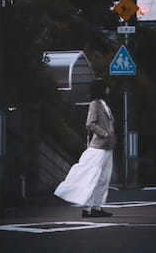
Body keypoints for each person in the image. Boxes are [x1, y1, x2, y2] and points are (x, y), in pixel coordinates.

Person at [54, 81, 116, 218]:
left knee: (104, 178)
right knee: (91, 176)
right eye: (106, 86)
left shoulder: (104, 104)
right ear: (100, 89)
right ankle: (87, 209)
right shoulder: (95, 104)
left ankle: (97, 207)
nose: (108, 88)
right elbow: (90, 123)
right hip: (98, 147)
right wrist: (104, 134)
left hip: (108, 147)